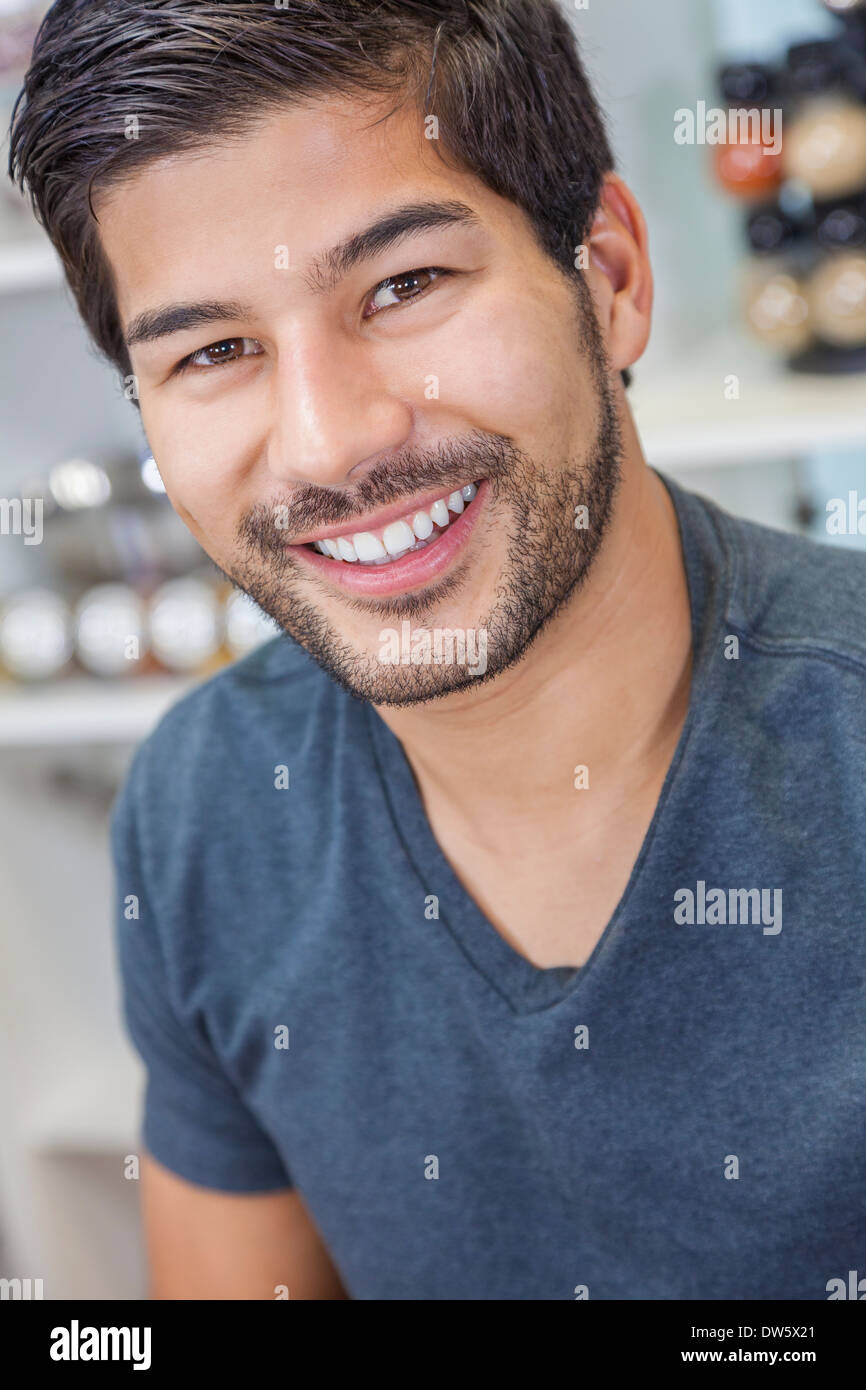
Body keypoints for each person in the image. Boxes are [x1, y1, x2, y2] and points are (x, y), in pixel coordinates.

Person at [9, 0, 865, 1301]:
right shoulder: (207, 809)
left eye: (403, 286)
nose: (328, 443)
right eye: (215, 351)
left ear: (612, 276)